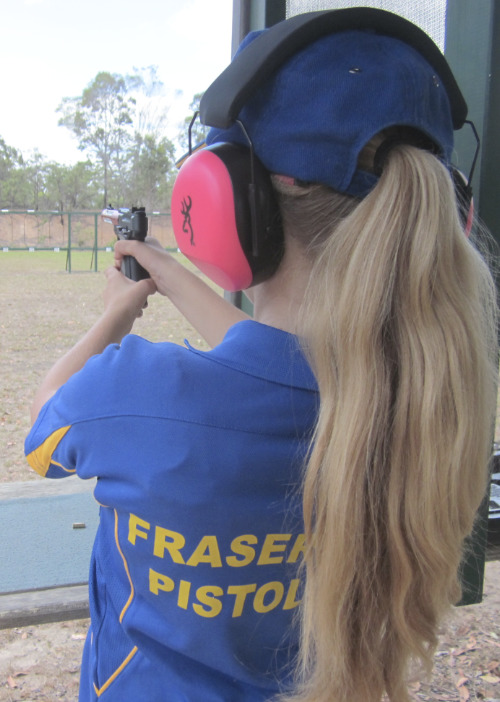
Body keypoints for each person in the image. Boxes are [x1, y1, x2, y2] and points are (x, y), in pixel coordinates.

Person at [25, 8, 498, 702]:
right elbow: (271, 361)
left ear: (234, 202)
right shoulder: (425, 401)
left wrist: (116, 317)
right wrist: (164, 271)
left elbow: (43, 424)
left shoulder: (137, 389)